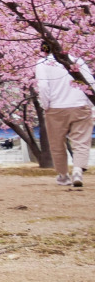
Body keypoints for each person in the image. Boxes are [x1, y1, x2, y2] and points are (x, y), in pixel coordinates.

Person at [35, 47, 95, 187]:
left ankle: (63, 175)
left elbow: (43, 86)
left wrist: (46, 105)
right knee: (81, 141)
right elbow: (91, 82)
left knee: (56, 143)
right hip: (80, 105)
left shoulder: (42, 63)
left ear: (43, 50)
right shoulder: (77, 61)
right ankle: (78, 170)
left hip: (55, 107)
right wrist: (89, 104)